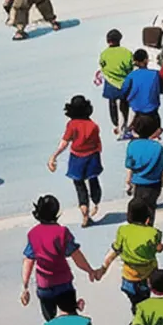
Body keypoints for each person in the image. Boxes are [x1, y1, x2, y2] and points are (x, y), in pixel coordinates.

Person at [20, 195, 100, 322]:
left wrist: (25, 286)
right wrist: (89, 270)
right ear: (57, 212)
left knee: (50, 321)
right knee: (71, 317)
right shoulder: (62, 232)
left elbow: (28, 261)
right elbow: (76, 255)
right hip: (64, 284)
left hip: (44, 286)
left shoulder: (33, 234)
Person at [98, 199, 163, 314]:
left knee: (135, 301)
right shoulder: (154, 233)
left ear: (128, 216)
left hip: (129, 278)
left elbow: (115, 251)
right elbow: (157, 248)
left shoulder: (122, 231)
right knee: (145, 302)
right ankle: (143, 320)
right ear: (148, 218)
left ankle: (136, 314)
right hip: (147, 277)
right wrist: (160, 247)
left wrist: (103, 268)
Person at [48, 95, 104, 228]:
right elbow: (98, 145)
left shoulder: (71, 125)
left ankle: (84, 211)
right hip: (92, 157)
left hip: (76, 158)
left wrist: (54, 156)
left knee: (79, 186)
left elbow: (64, 143)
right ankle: (95, 203)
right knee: (93, 181)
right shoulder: (93, 126)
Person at [124, 115, 163, 225]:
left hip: (138, 182)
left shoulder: (132, 145)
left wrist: (128, 180)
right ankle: (149, 226)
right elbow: (162, 165)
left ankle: (137, 227)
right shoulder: (157, 147)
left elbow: (129, 165)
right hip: (154, 183)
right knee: (151, 207)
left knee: (138, 206)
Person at [96, 29, 133, 136]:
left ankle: (116, 124)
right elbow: (129, 66)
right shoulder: (126, 52)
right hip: (124, 84)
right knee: (125, 105)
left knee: (112, 104)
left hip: (111, 84)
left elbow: (102, 65)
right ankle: (125, 124)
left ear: (108, 41)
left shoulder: (104, 54)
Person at [121, 48, 161, 135]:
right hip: (153, 115)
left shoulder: (130, 76)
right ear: (146, 60)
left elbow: (124, 94)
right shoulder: (155, 74)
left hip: (138, 117)